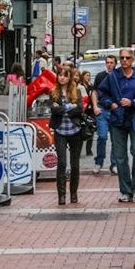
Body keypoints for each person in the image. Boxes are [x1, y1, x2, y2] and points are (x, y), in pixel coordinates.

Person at [98, 48, 135, 202]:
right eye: (121, 58)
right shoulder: (113, 77)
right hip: (118, 120)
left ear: (133, 60)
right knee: (120, 157)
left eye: (127, 58)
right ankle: (125, 190)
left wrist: (133, 102)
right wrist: (111, 104)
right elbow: (102, 94)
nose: (124, 61)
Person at [48, 65, 85, 206]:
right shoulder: (53, 92)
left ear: (70, 77)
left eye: (65, 75)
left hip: (75, 131)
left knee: (75, 165)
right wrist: (71, 107)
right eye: (60, 75)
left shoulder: (76, 91)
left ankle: (73, 193)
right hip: (60, 132)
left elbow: (80, 109)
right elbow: (53, 110)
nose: (62, 77)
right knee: (62, 163)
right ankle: (61, 195)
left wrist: (63, 108)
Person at [91, 54, 117, 175]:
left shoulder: (118, 75)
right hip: (102, 109)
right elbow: (95, 92)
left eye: (112, 62)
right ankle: (99, 161)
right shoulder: (100, 76)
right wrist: (95, 106)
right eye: (108, 62)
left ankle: (114, 164)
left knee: (115, 139)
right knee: (102, 136)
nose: (110, 64)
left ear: (115, 64)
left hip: (115, 111)